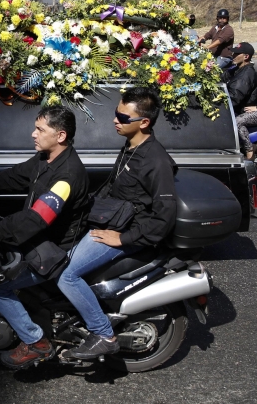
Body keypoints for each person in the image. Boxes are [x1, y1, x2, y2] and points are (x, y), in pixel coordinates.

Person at [62, 87, 177, 360]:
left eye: (123, 118)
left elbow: (164, 215)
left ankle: (103, 333)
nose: (115, 120)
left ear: (144, 122)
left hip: (126, 232)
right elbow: (113, 188)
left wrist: (123, 240)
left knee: (66, 275)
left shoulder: (156, 161)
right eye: (116, 114)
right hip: (111, 219)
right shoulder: (131, 146)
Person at [0, 106, 89, 370]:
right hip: (37, 241)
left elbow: (38, 218)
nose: (33, 134)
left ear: (60, 136)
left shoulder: (66, 175)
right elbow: (14, 177)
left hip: (52, 250)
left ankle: (35, 342)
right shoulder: (45, 159)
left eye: (40, 130)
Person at [225, 42, 257, 113]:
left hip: (239, 111)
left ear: (246, 57)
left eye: (236, 54)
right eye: (233, 53)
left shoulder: (245, 75)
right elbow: (223, 76)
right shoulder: (236, 68)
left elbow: (234, 99)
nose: (233, 55)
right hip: (234, 106)